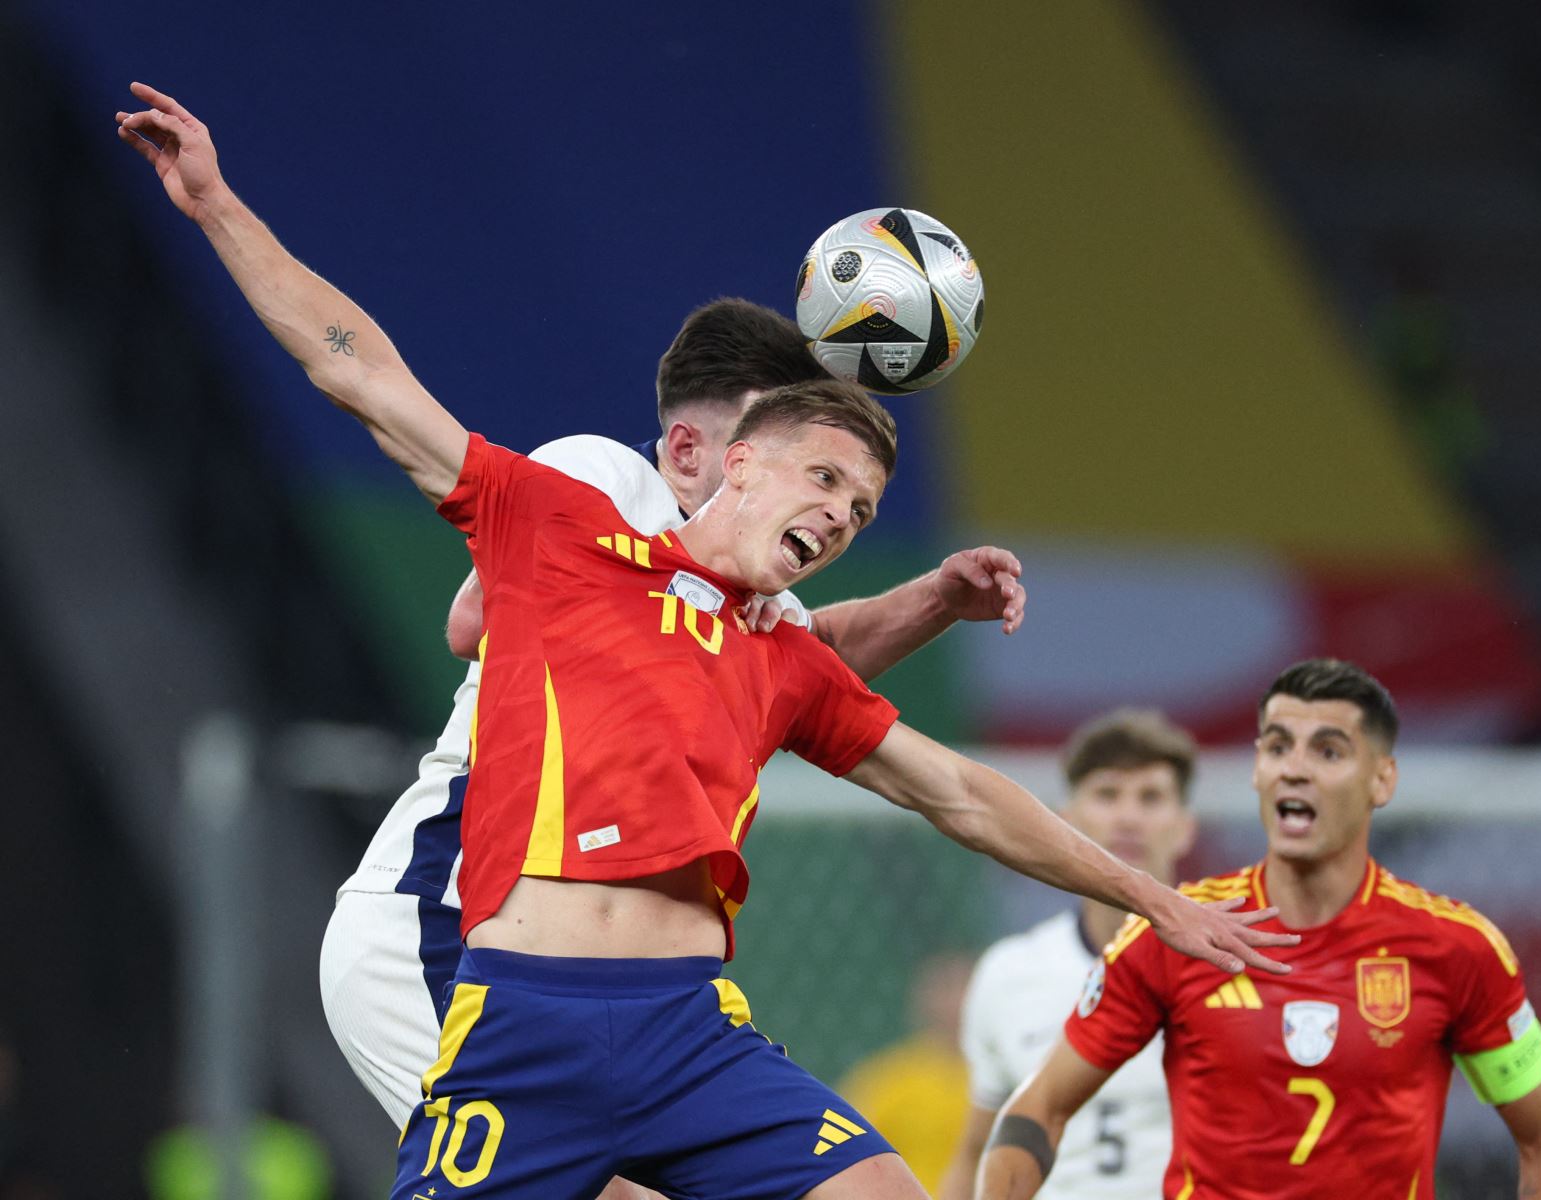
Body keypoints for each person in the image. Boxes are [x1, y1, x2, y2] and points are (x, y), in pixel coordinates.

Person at [117, 82, 1297, 1200]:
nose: (840, 511)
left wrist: (1155, 898)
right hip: (525, 1016)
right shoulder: (573, 520)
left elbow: (962, 793)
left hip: (688, 1026)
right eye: (824, 477)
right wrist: (220, 205)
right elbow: (359, 370)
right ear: (732, 461)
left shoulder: (779, 651)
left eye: (863, 508)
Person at [320, 292, 1031, 1135]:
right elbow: (470, 622)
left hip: (541, 958)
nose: (786, 476)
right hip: (437, 919)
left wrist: (934, 599)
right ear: (694, 450)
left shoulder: (734, 588)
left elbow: (799, 682)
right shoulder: (607, 479)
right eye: (765, 446)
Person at [977, 659, 1541, 1200]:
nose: (1294, 769)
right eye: (1276, 746)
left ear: (1383, 779)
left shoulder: (1459, 949)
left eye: (1328, 751)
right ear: (1256, 770)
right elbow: (1038, 1109)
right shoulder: (1176, 933)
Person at [941, 709, 1197, 1200]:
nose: (1128, 816)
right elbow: (977, 1148)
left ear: (1185, 827)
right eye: (1106, 794)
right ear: (1066, 820)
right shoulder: (1008, 972)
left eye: (1151, 797)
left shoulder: (1230, 966)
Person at [839, 954, 976, 1194]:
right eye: (946, 989)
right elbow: (842, 1151)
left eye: (967, 986)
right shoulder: (891, 1079)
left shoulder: (1008, 1075)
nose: (958, 1002)